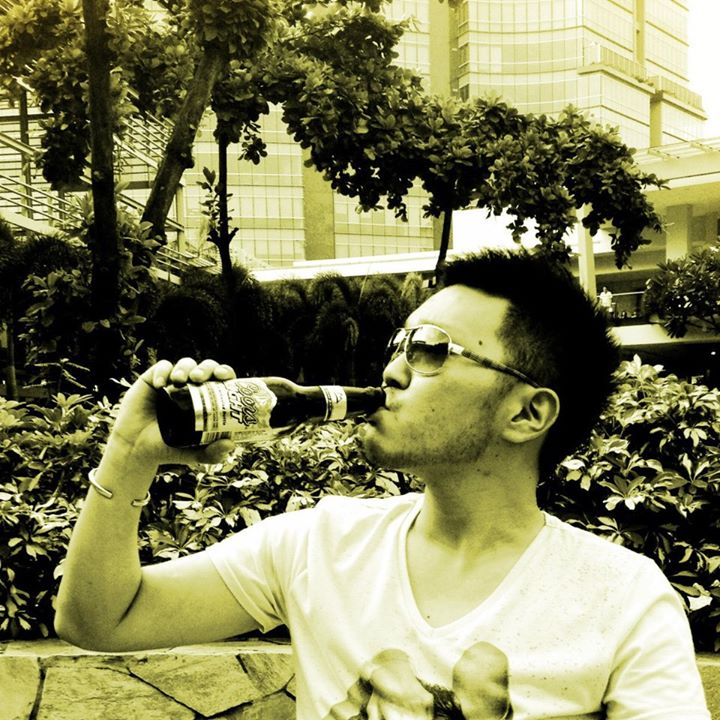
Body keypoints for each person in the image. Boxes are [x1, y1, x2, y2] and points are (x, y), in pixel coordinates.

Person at [55, 249, 710, 719]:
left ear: (527, 413)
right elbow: (99, 620)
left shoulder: (622, 601)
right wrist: (129, 456)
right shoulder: (319, 545)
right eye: (401, 344)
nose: (393, 369)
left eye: (430, 350)